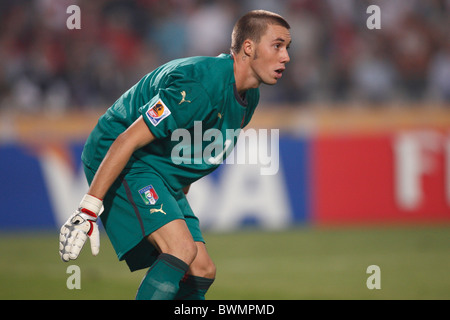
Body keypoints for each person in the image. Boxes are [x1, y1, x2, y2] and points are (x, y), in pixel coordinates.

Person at [59, 9, 291, 300]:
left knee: (201, 269)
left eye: (287, 48)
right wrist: (88, 210)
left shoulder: (249, 97)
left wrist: (172, 206)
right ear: (248, 47)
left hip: (157, 167)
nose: (286, 57)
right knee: (180, 249)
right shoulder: (197, 86)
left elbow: (189, 156)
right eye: (278, 45)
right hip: (126, 156)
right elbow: (127, 138)